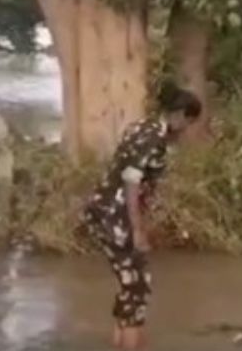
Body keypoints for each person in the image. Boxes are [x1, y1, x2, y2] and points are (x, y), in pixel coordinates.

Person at [81, 84, 202, 350]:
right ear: (181, 115)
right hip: (115, 215)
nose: (186, 129)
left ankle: (121, 342)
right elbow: (131, 183)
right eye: (189, 122)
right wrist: (137, 229)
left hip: (104, 211)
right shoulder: (154, 140)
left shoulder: (142, 127)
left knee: (130, 282)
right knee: (138, 286)